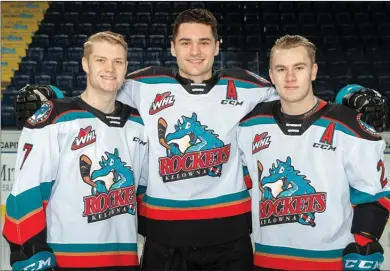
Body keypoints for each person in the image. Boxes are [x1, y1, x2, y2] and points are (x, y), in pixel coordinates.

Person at [13, 9, 387, 270]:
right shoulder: (141, 83)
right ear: (172, 47)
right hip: (163, 240)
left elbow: (296, 92)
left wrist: (350, 96)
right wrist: (44, 94)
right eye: (186, 42)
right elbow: (98, 88)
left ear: (217, 45)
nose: (196, 50)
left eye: (204, 42)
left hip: (231, 239)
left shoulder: (247, 86)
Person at [238, 35, 390, 271]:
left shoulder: (349, 126)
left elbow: (374, 196)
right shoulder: (249, 125)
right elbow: (240, 184)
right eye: (281, 69)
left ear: (314, 71)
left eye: (299, 67)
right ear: (271, 75)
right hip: (267, 261)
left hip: (331, 262)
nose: (289, 77)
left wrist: (363, 244)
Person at [2, 31, 148, 271]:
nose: (110, 68)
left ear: (126, 68)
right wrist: (30, 254)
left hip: (125, 260)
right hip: (67, 262)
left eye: (117, 61)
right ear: (85, 64)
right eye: (101, 60)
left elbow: (143, 194)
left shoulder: (139, 124)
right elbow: (25, 195)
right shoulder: (55, 121)